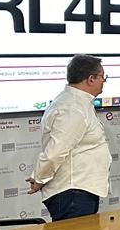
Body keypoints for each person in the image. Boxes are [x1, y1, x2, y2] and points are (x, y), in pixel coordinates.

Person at [26, 54, 112, 220]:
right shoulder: (73, 108)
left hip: (78, 190)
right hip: (72, 192)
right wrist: (40, 178)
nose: (104, 81)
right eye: (102, 77)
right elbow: (55, 151)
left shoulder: (77, 103)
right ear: (91, 79)